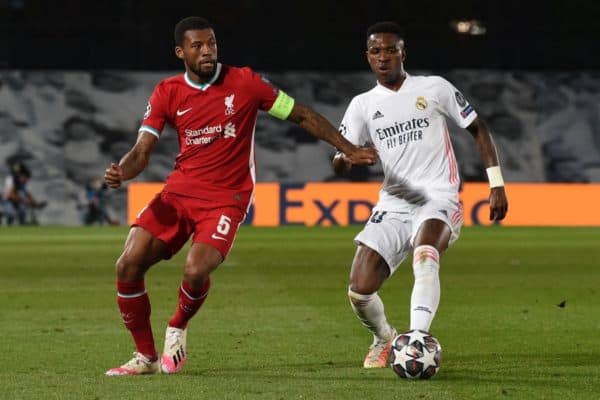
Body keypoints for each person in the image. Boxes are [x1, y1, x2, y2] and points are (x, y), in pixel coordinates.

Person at [103, 16, 377, 376]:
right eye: (197, 45)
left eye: (212, 43)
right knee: (127, 264)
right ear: (180, 51)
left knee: (196, 268)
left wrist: (348, 148)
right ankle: (145, 357)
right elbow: (142, 150)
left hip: (226, 198)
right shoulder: (167, 92)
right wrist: (123, 170)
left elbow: (302, 115)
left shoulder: (246, 84)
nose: (207, 51)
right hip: (179, 193)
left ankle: (177, 326)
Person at [332, 21, 508, 368]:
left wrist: (496, 183)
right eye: (376, 51)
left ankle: (416, 341)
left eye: (390, 49)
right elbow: (338, 161)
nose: (383, 57)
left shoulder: (434, 87)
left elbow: (478, 128)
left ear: (403, 53)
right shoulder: (362, 105)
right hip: (393, 204)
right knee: (359, 289)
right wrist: (347, 157)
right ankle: (385, 337)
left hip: (438, 196)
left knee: (426, 253)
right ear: (368, 57)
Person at [1, 161, 47, 225]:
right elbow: (10, 194)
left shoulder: (22, 183)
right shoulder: (10, 179)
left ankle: (21, 227)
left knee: (22, 212)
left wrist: (35, 203)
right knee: (11, 213)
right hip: (5, 200)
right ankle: (3, 217)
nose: (26, 180)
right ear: (20, 175)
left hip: (15, 201)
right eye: (25, 177)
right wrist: (25, 201)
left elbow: (28, 194)